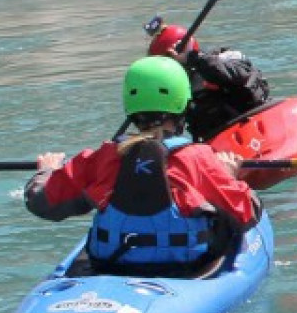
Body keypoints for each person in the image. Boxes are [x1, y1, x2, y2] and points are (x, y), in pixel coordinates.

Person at [25, 56, 262, 277]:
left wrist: (47, 171)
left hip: (111, 267)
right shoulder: (198, 158)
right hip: (185, 270)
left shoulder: (104, 156)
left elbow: (41, 201)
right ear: (183, 104)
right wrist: (229, 174)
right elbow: (247, 213)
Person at [144, 20, 272, 143]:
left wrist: (193, 58)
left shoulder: (224, 57)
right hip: (218, 141)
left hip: (256, 124)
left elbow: (238, 74)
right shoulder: (178, 87)